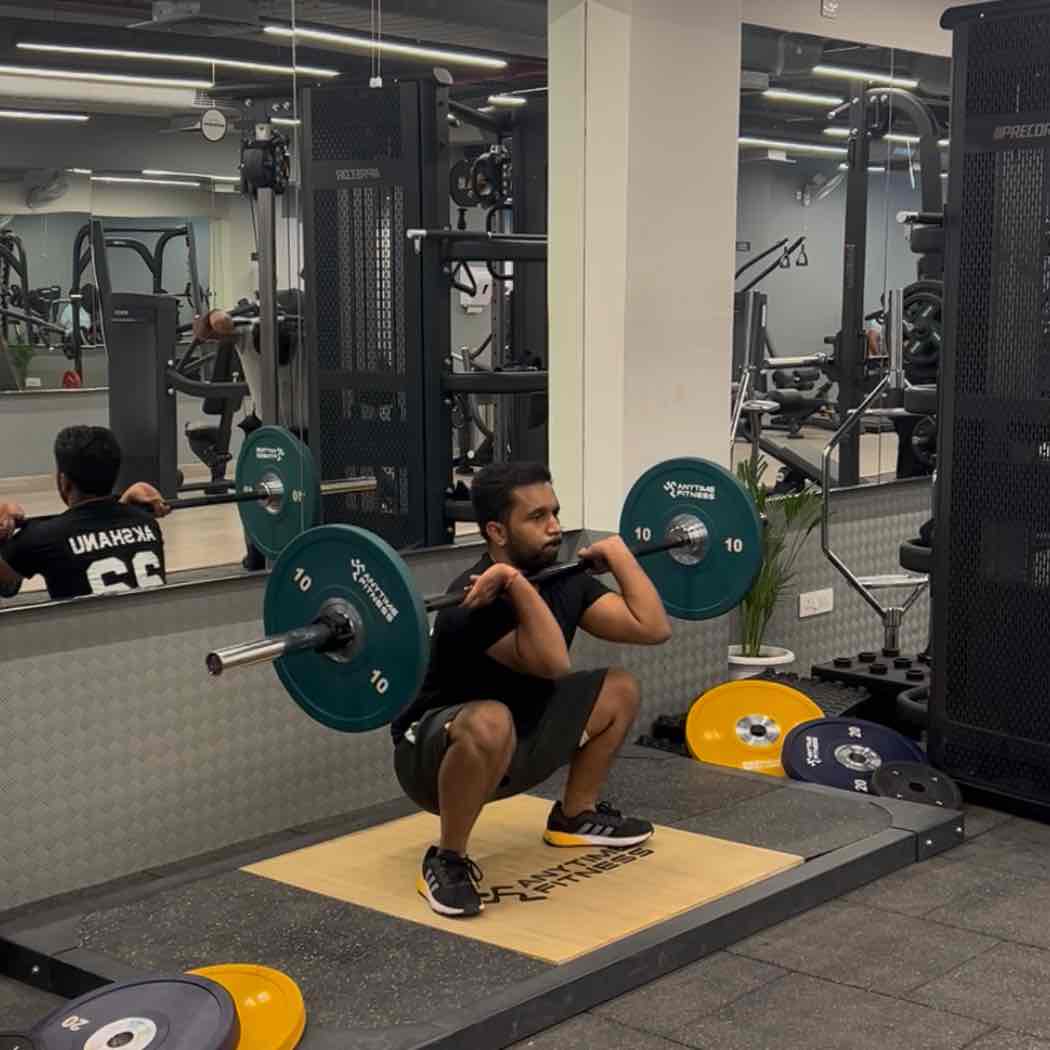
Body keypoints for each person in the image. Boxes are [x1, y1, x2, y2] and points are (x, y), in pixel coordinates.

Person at [391, 461, 673, 918]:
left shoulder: (562, 580)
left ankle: (574, 815)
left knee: (619, 688)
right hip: (431, 760)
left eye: (555, 512)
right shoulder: (471, 600)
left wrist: (620, 556)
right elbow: (552, 663)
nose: (554, 526)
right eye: (537, 517)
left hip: (519, 738)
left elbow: (652, 627)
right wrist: (515, 585)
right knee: (490, 719)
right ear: (497, 532)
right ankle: (448, 858)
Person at [0, 425, 170, 601]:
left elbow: (6, 585)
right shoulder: (147, 523)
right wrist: (124, 505)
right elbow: (105, 533)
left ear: (64, 481)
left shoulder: (43, 537)